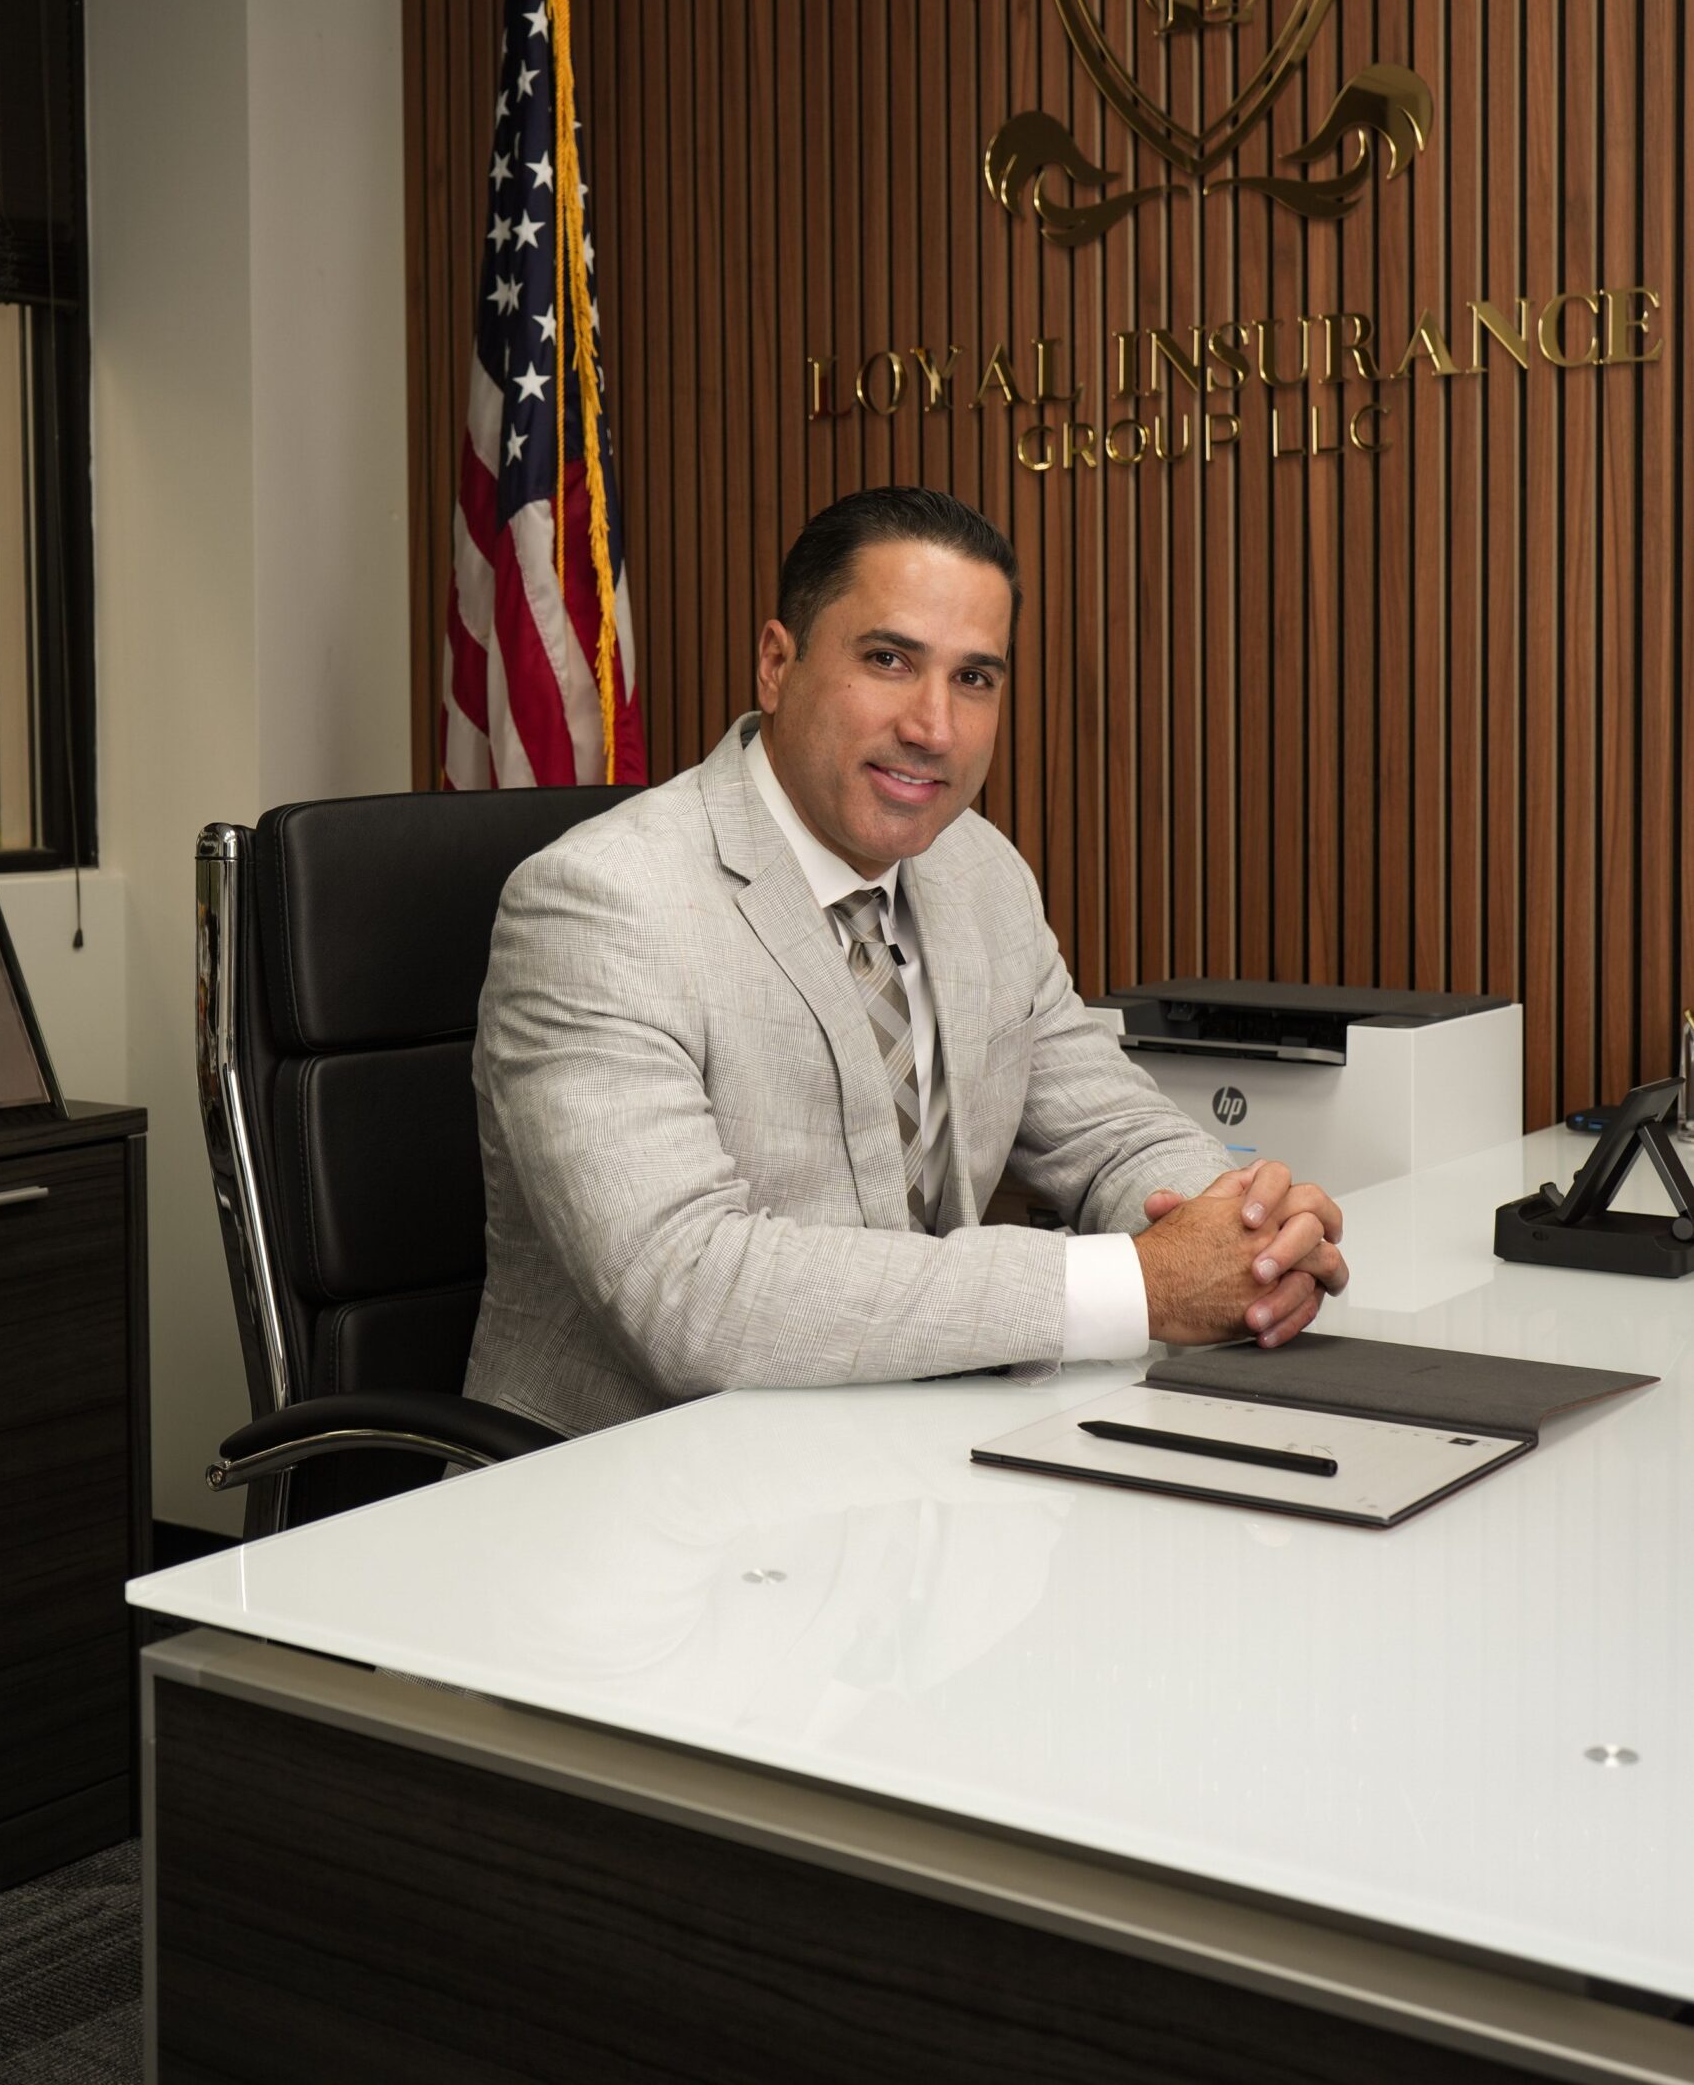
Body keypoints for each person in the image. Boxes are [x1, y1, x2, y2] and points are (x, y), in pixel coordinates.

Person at [466, 488, 1346, 1437]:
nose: (934, 727)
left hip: (918, 1459)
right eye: (888, 660)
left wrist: (1247, 1238)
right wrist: (1137, 1284)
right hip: (638, 1485)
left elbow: (1112, 1134)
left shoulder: (978, 869)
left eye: (974, 678)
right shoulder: (603, 902)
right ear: (777, 664)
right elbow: (688, 1293)